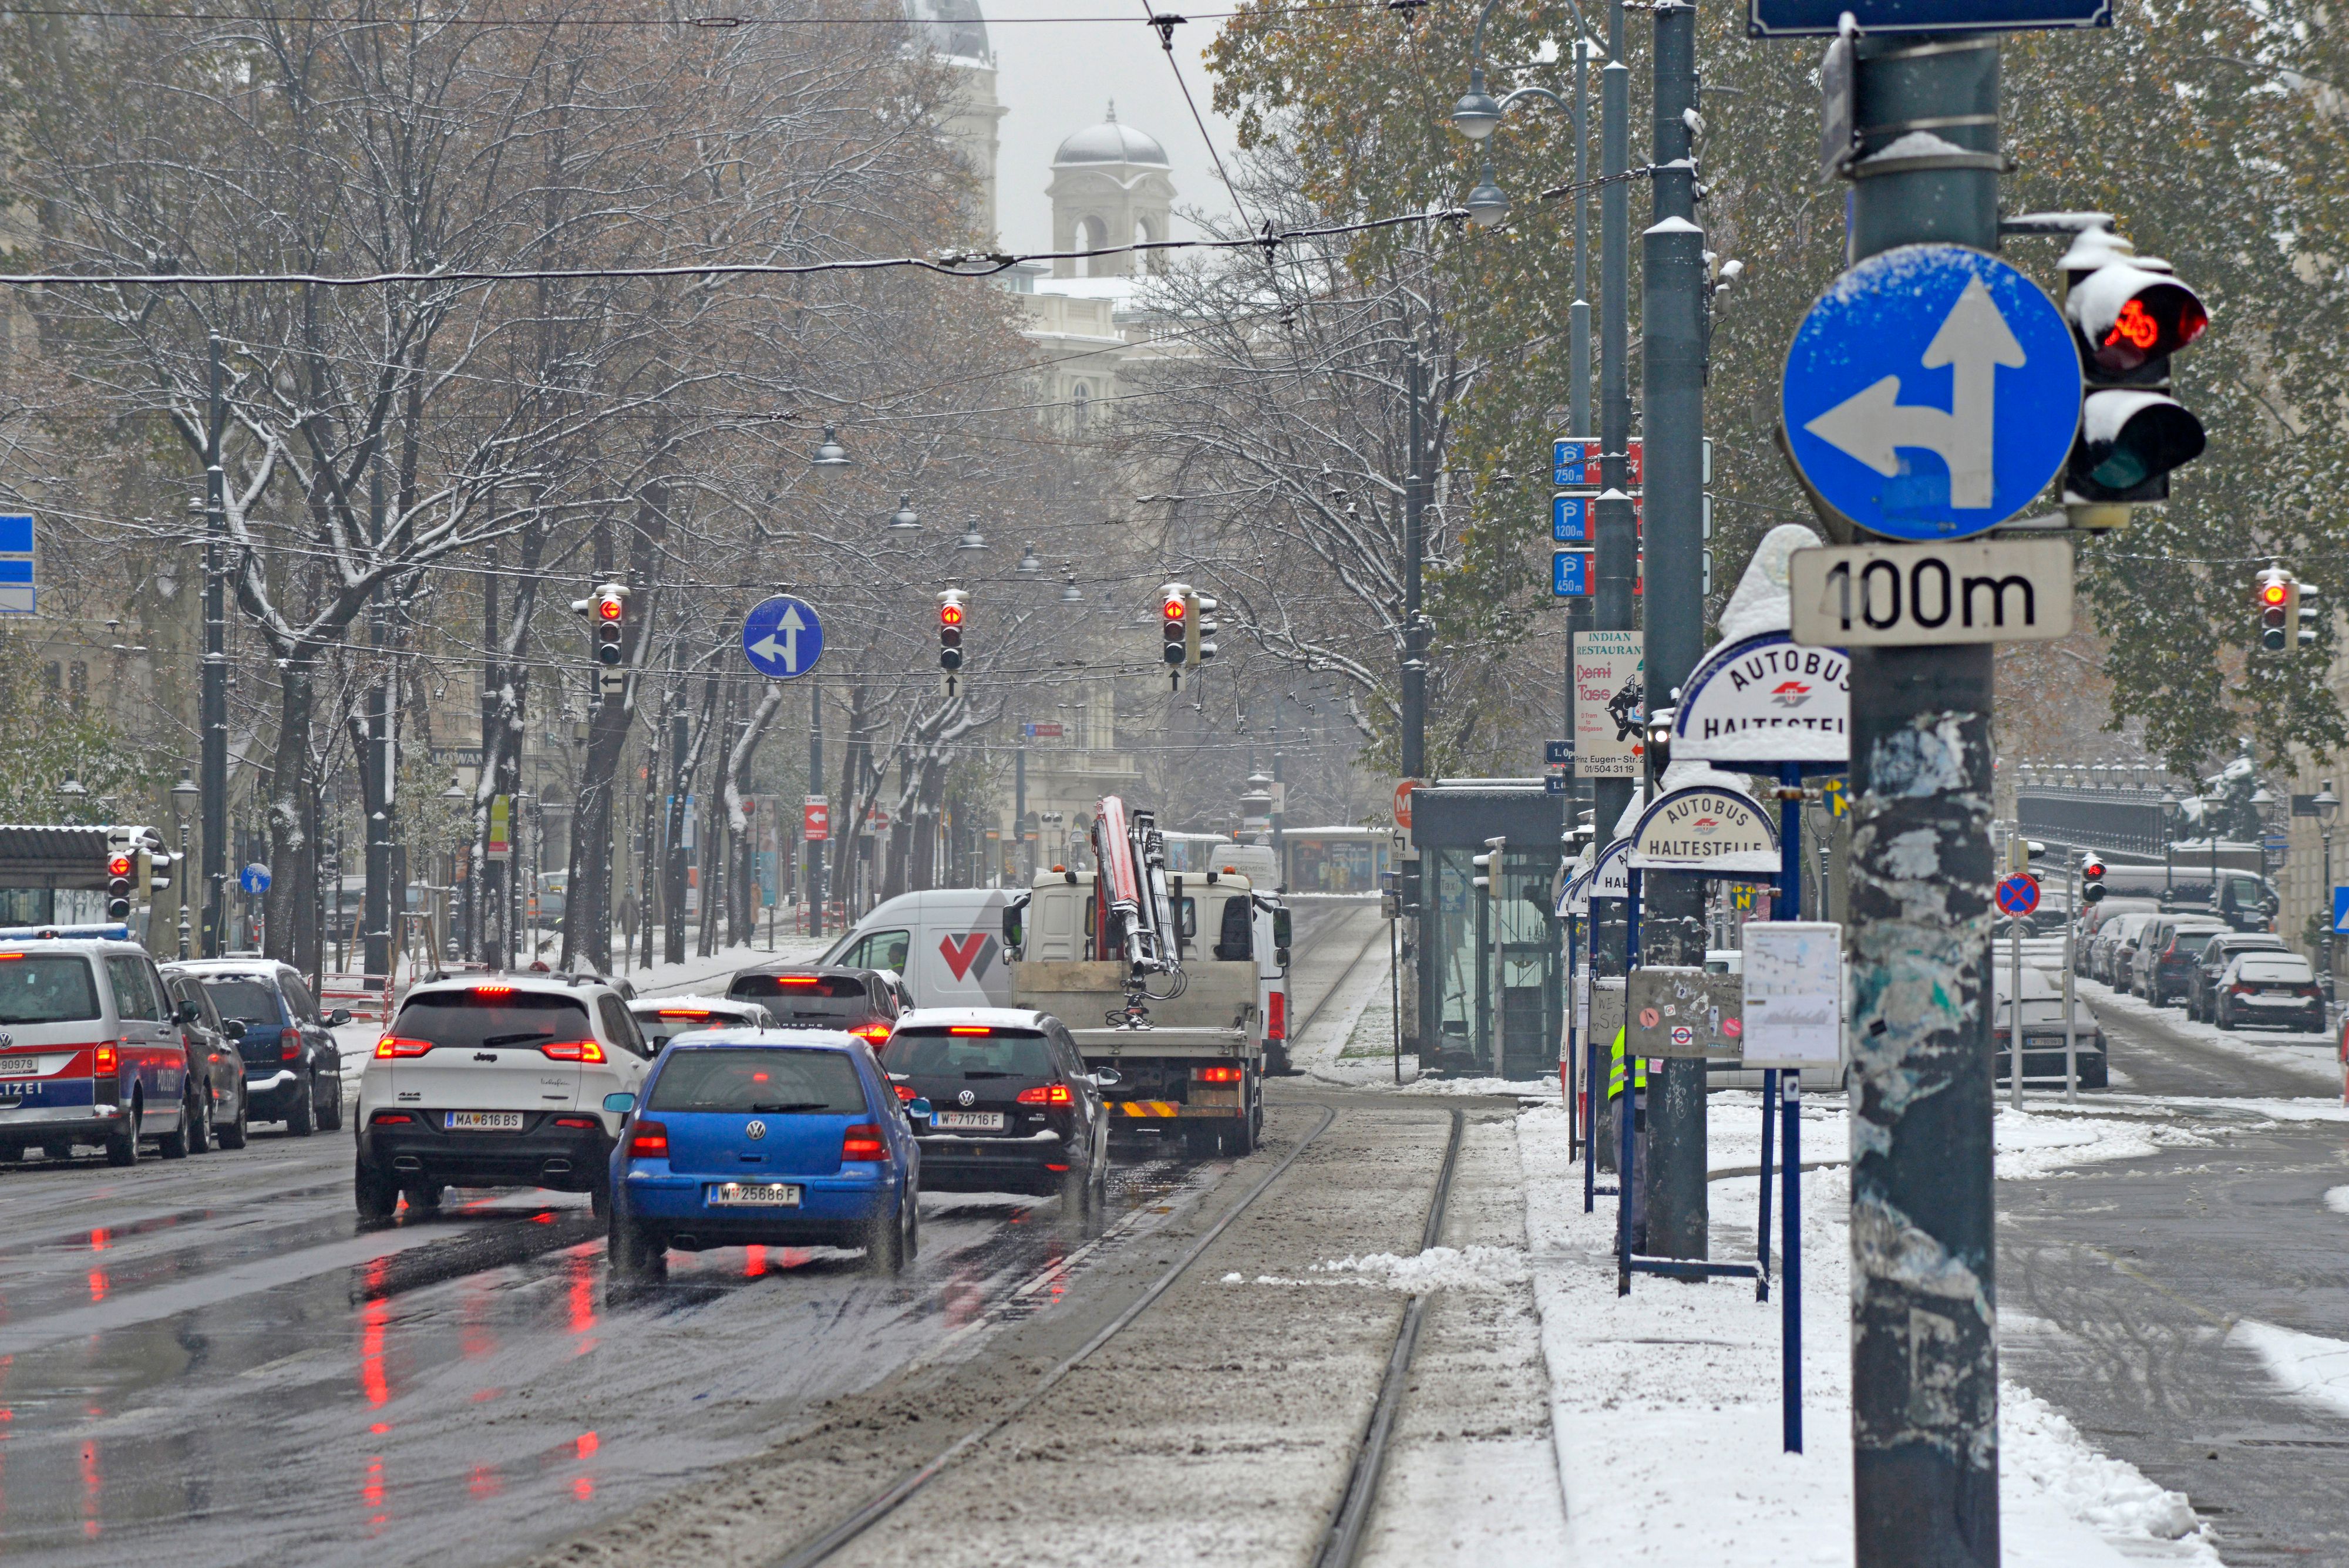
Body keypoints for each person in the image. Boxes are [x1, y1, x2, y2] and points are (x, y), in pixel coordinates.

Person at [1608, 1024, 1650, 1252]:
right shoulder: (1664, 1017)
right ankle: (1659, 1237)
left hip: (1621, 1101)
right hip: (1646, 1096)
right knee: (1653, 1172)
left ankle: (1630, 1239)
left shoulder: (1630, 1021)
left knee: (1631, 1174)